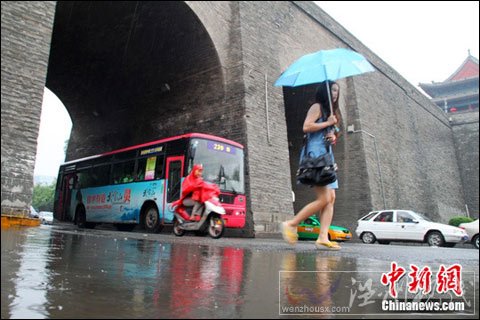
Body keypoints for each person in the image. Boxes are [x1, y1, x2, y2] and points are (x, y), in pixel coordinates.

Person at [282, 80, 342, 250]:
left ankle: (323, 237)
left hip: (326, 155)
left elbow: (329, 133)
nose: (335, 93)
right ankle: (291, 223)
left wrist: (333, 136)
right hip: (316, 155)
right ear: (325, 91)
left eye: (337, 90)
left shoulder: (332, 112)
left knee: (331, 199)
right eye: (332, 90)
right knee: (324, 198)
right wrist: (327, 123)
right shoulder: (317, 107)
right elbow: (306, 127)